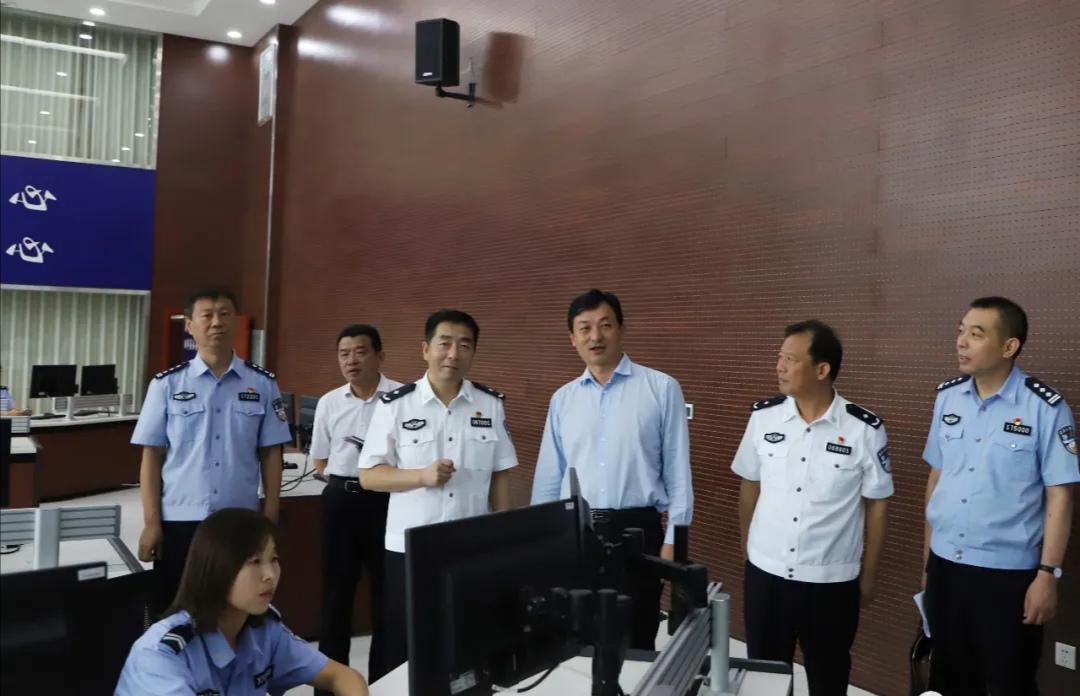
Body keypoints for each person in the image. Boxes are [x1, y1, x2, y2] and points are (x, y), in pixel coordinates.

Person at [921, 296, 1078, 695]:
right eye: (961, 331)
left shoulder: (1045, 407)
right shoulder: (947, 398)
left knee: (1011, 681)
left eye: (976, 334)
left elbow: (1060, 497)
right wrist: (927, 563)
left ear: (1009, 346)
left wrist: (1047, 575)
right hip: (946, 567)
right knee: (949, 678)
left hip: (1008, 578)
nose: (961, 341)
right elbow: (937, 479)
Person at [732, 320, 892, 696]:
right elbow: (749, 485)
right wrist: (749, 550)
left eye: (790, 359)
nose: (780, 367)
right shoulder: (763, 417)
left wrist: (869, 574)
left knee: (828, 679)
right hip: (766, 577)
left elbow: (878, 505)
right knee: (765, 680)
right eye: (780, 357)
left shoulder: (864, 429)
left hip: (830, 584)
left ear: (822, 370)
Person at [358, 309, 519, 680]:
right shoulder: (396, 405)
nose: (453, 354)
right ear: (426, 349)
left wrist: (503, 538)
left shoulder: (489, 404)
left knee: (466, 643)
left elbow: (500, 475)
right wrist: (421, 475)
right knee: (404, 647)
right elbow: (369, 476)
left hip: (470, 547)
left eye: (464, 345)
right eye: (444, 343)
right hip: (409, 548)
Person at [530, 288, 693, 651]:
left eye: (605, 325)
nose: (595, 336)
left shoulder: (661, 389)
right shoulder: (563, 399)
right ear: (572, 338)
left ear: (621, 328)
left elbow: (679, 475)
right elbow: (549, 479)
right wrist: (543, 544)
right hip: (578, 532)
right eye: (584, 328)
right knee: (578, 639)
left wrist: (673, 544)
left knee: (636, 637)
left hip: (639, 533)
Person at [131, 286, 293, 618]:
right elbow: (151, 458)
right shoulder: (166, 385)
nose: (216, 322)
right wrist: (151, 522)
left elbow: (270, 454)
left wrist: (270, 516)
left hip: (239, 519)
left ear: (236, 322)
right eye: (207, 315)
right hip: (180, 519)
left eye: (224, 314)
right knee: (175, 613)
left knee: (234, 612)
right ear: (190, 325)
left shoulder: (262, 384)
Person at [114, 507, 369, 695]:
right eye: (254, 562)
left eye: (274, 559)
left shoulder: (264, 632)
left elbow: (342, 676)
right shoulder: (162, 656)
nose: (270, 575)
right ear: (216, 569)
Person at [311, 324, 403, 689]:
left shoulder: (401, 398)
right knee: (335, 596)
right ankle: (331, 686)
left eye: (360, 352)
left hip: (388, 503)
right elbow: (320, 459)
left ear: (380, 356)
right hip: (341, 502)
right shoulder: (329, 402)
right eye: (344, 354)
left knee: (387, 595)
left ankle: (384, 682)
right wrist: (346, 482)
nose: (351, 361)